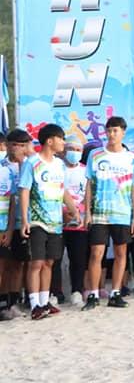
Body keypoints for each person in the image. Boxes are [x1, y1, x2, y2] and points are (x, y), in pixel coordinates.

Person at [83, 116, 134, 310]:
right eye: (108, 130)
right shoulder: (95, 155)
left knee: (121, 252)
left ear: (123, 132)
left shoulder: (132, 158)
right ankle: (93, 294)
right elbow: (89, 185)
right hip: (100, 213)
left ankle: (115, 293)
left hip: (122, 213)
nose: (111, 134)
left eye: (115, 130)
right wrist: (87, 212)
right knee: (96, 253)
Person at [19, 124, 78, 319]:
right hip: (37, 222)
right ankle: (34, 304)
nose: (63, 143)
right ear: (49, 140)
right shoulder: (32, 163)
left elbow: (63, 190)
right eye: (61, 139)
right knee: (36, 263)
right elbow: (24, 191)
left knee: (49, 262)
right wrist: (25, 220)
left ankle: (45, 302)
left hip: (56, 223)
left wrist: (73, 210)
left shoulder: (59, 164)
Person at [1, 128, 32, 320]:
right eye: (13, 145)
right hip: (6, 223)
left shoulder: (30, 165)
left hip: (24, 222)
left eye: (21, 145)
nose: (16, 149)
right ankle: (4, 301)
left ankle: (15, 301)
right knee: (5, 264)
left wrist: (23, 163)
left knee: (20, 264)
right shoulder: (3, 167)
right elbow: (10, 199)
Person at [61, 134, 89, 306]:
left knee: (78, 259)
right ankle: (55, 293)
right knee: (54, 260)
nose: (74, 152)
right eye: (71, 149)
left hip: (80, 222)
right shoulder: (57, 168)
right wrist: (64, 211)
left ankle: (77, 291)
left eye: (78, 150)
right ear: (64, 150)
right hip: (58, 221)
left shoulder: (86, 170)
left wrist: (78, 212)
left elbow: (88, 194)